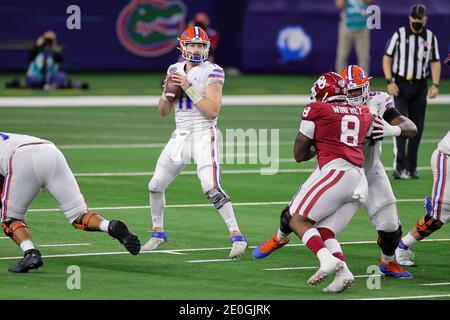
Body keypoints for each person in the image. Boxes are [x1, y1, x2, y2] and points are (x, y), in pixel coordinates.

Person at [253, 72, 373, 293]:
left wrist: (319, 142)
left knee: (297, 221)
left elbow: (299, 154)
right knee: (325, 231)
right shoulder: (363, 111)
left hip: (337, 173)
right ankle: (343, 272)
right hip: (359, 180)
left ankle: (325, 260)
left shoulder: (317, 109)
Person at [140, 26, 247, 259]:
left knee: (210, 186)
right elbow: (163, 112)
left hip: (203, 134)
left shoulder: (213, 71)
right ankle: (158, 232)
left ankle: (237, 235)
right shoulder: (174, 69)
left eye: (200, 45)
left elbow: (212, 110)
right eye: (192, 44)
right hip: (180, 135)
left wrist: (187, 87)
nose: (196, 49)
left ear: (206, 47)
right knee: (155, 185)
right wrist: (167, 94)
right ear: (183, 46)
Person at [0, 132, 140, 273]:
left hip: (21, 157)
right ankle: (109, 226)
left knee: (10, 219)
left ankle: (30, 253)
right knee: (78, 215)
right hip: (51, 151)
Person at [340, 65, 417, 278]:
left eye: (358, 90)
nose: (354, 95)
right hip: (340, 169)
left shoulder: (379, 100)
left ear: (368, 85)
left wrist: (393, 129)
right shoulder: (335, 103)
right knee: (312, 217)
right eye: (350, 90)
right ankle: (282, 234)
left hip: (371, 168)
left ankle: (388, 262)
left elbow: (411, 128)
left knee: (391, 225)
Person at [395, 56, 450, 266]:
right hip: (447, 159)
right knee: (438, 217)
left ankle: (436, 202)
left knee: (442, 211)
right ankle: (402, 247)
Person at [383, 4, 441, 179]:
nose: (416, 21)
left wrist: (435, 84)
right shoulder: (399, 35)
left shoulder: (430, 37)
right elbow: (387, 58)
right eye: (414, 18)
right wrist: (390, 81)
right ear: (410, 18)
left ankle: (411, 167)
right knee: (399, 125)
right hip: (401, 84)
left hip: (420, 86)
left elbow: (435, 61)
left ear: (425, 19)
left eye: (419, 18)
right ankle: (399, 167)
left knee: (418, 127)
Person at [335, 0, 371, 74]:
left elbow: (369, 1)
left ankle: (363, 81)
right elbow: (339, 4)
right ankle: (340, 80)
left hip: (363, 26)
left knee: (364, 57)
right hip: (347, 26)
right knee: (342, 55)